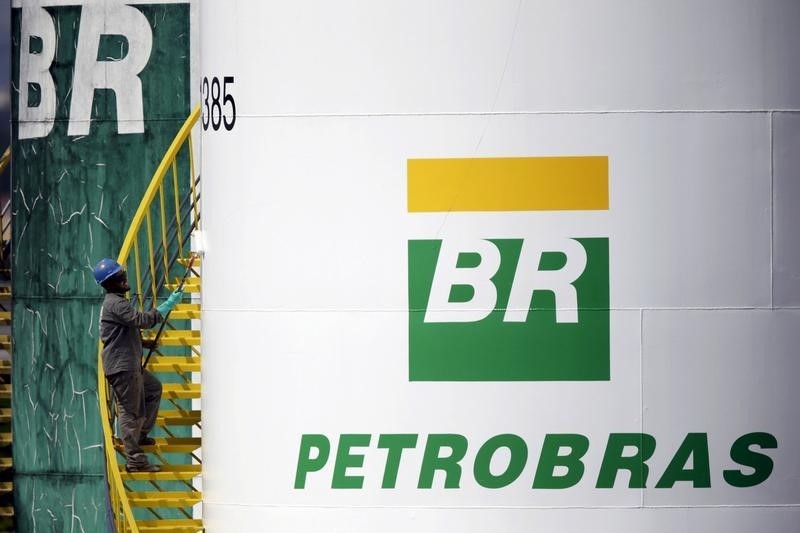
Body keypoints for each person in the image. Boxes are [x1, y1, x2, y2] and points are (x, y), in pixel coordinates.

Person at [94, 258, 183, 473]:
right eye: (118, 277)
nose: (124, 278)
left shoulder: (115, 302)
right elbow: (141, 320)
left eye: (122, 274)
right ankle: (134, 459)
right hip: (123, 367)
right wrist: (166, 306)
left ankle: (140, 435)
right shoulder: (116, 303)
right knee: (129, 410)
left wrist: (143, 343)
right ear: (110, 283)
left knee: (153, 389)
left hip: (128, 365)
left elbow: (119, 334)